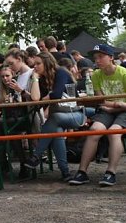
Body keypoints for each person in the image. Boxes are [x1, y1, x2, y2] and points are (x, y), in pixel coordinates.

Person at [69, 44, 126, 187]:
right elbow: (101, 101)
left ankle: (111, 172)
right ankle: (82, 172)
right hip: (111, 110)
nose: (97, 60)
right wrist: (119, 105)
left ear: (111, 58)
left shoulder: (125, 73)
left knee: (113, 132)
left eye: (101, 57)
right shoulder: (96, 75)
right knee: (94, 130)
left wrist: (114, 106)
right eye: (95, 58)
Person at [22, 53, 85, 181]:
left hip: (76, 114)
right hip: (58, 117)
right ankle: (65, 173)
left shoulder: (61, 72)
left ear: (47, 62)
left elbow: (56, 94)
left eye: (39, 63)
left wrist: (45, 98)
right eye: (34, 64)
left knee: (53, 120)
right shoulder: (42, 79)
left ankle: (36, 156)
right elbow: (36, 98)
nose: (35, 67)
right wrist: (34, 78)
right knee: (56, 132)